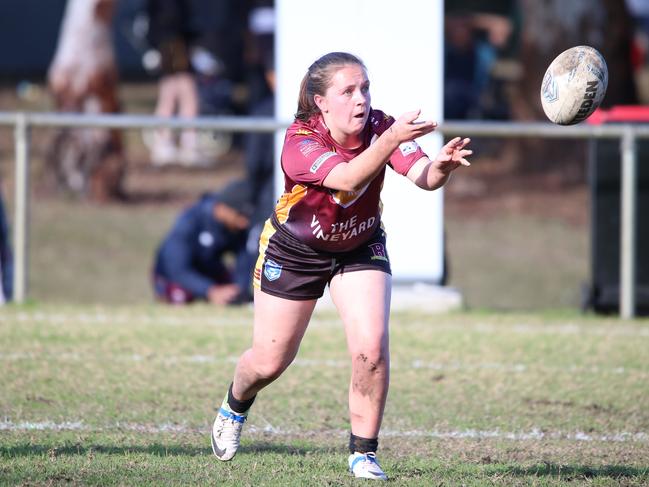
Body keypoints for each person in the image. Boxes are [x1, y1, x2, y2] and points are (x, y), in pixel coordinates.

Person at [209, 52, 472, 480]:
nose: (361, 100)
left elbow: (422, 174)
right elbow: (348, 178)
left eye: (365, 89)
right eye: (348, 91)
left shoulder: (381, 127)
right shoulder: (300, 141)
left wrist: (440, 166)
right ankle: (235, 404)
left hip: (360, 245)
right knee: (269, 361)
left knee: (371, 350)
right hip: (295, 251)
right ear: (320, 103)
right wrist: (388, 141)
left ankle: (363, 454)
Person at [153, 179, 256, 305]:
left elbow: (243, 260)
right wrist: (210, 291)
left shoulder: (237, 227)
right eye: (240, 215)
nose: (244, 222)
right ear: (223, 208)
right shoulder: (190, 221)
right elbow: (176, 268)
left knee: (236, 294)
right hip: (173, 274)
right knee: (180, 296)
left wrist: (240, 290)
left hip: (209, 270)